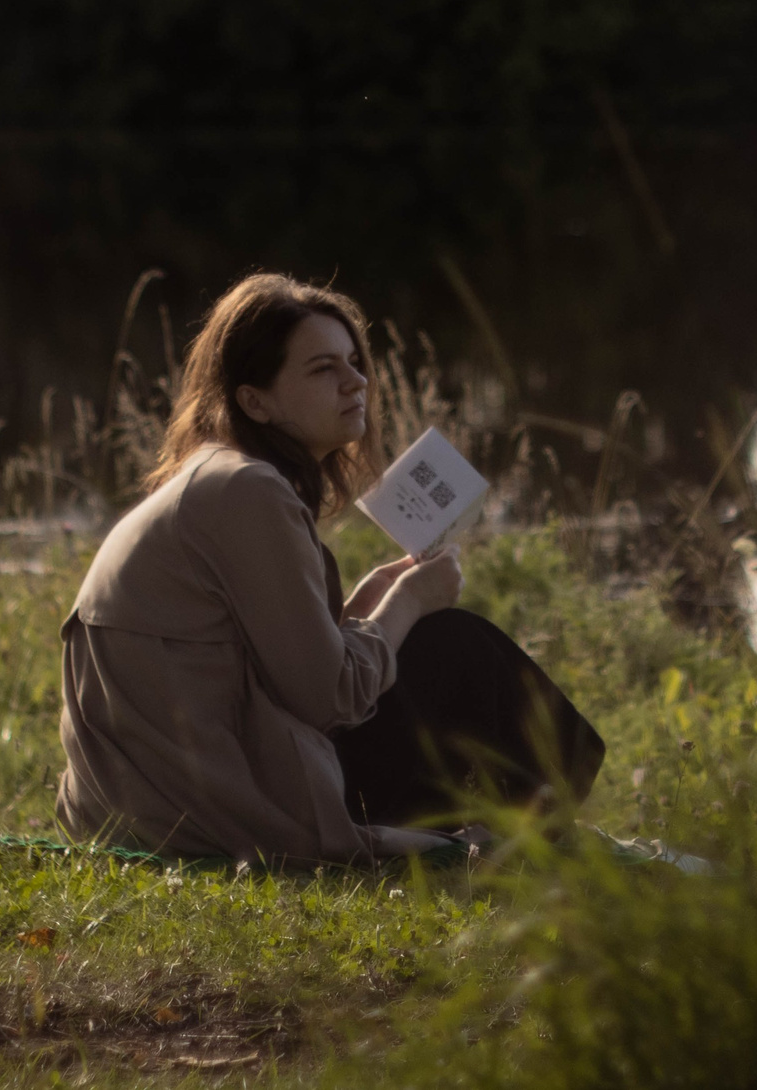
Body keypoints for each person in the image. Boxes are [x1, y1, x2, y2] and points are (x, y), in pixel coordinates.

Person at [55, 272, 606, 865]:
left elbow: (275, 669)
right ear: (254, 399)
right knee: (453, 645)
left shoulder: (221, 477)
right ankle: (538, 833)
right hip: (219, 803)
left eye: (354, 362)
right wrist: (412, 601)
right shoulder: (248, 489)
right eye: (323, 370)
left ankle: (522, 828)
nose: (356, 383)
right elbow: (326, 699)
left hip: (157, 796)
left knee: (426, 643)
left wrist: (370, 601)